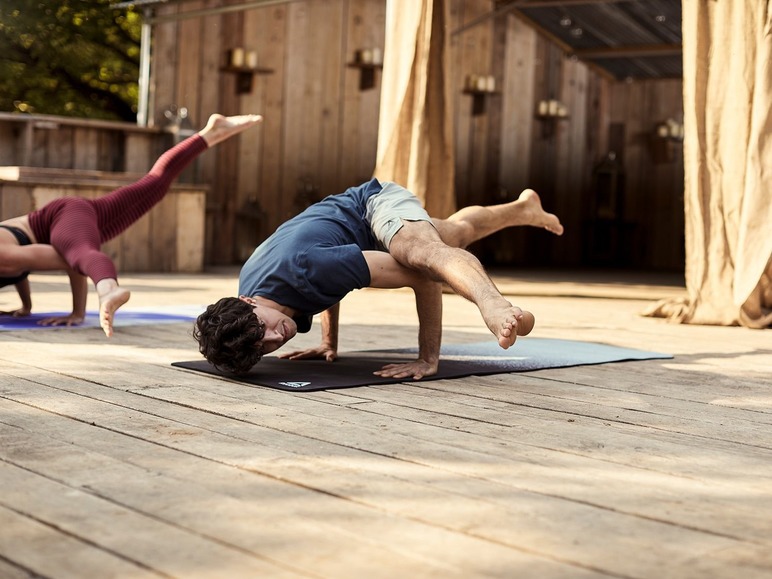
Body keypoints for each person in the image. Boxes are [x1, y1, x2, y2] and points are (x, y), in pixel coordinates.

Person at [194, 179, 564, 379]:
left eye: (265, 329)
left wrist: (427, 358)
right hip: (349, 236)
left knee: (424, 255)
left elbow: (424, 278)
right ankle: (523, 208)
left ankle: (495, 306)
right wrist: (328, 342)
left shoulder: (307, 266)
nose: (277, 337)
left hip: (370, 205)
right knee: (457, 232)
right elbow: (324, 287)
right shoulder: (257, 297)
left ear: (248, 303)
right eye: (265, 347)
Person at [0, 113, 263, 337]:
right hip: (75, 221)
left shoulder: (5, 255)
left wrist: (78, 310)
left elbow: (70, 260)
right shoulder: (9, 259)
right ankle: (211, 132)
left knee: (81, 254)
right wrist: (26, 307)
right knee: (155, 185)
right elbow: (21, 271)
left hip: (63, 219)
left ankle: (109, 291)